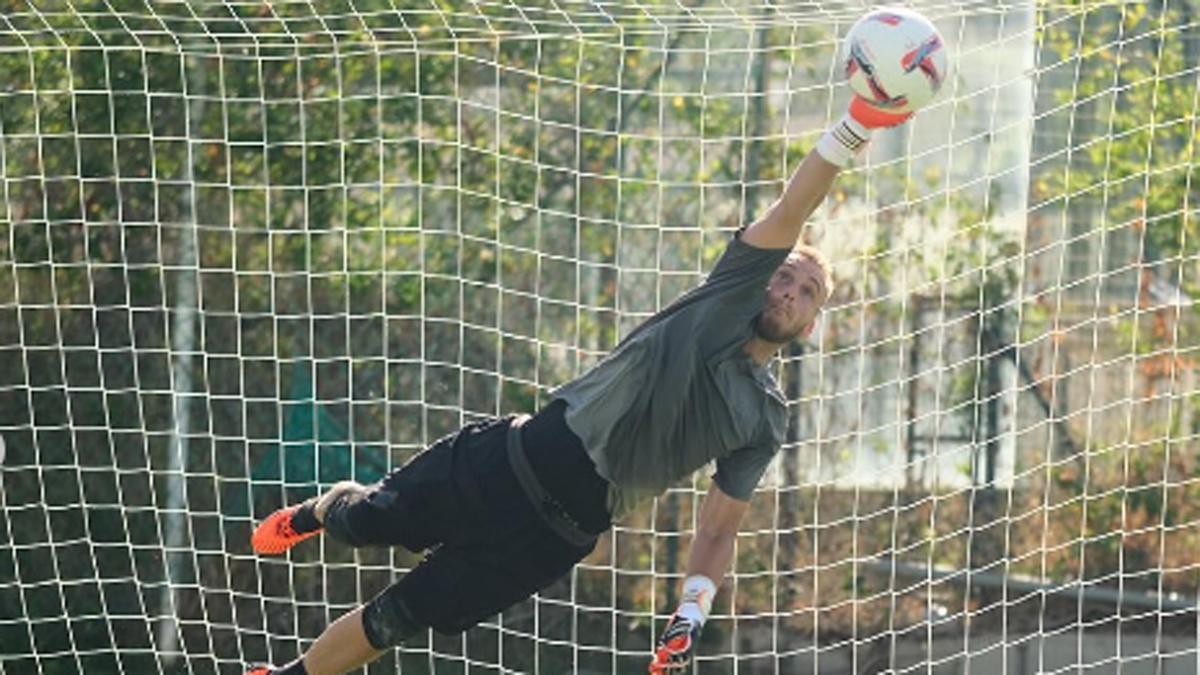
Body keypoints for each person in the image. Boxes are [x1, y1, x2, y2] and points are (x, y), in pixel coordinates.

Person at [245, 96, 911, 675]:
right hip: (509, 462)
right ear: (763, 271)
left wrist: (691, 609)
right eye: (786, 275)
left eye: (808, 292)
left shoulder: (762, 418)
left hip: (553, 539)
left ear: (814, 320)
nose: (789, 291)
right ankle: (320, 509)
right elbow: (798, 202)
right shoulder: (729, 293)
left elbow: (717, 528)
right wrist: (856, 121)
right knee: (364, 522)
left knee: (396, 620)